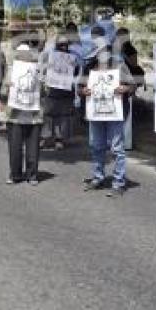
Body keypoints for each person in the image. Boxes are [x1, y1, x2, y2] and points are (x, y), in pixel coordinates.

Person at [79, 40, 135, 197]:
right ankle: (98, 177)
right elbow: (79, 88)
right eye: (99, 51)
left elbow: (132, 85)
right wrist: (84, 91)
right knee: (96, 146)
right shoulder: (89, 68)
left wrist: (125, 88)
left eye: (105, 50)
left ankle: (118, 182)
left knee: (117, 148)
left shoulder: (119, 66)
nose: (103, 53)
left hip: (115, 113)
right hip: (95, 113)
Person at [6, 43, 43, 185]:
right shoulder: (11, 71)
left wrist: (40, 83)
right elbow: (3, 93)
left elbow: (45, 91)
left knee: (33, 147)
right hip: (15, 116)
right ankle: (15, 175)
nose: (23, 58)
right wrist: (7, 86)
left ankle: (32, 175)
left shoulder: (37, 70)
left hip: (34, 116)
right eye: (20, 56)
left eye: (25, 56)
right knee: (15, 147)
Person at [40, 34, 79, 150]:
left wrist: (73, 67)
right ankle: (45, 138)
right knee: (48, 115)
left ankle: (59, 139)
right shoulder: (49, 56)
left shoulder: (72, 57)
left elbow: (76, 73)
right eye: (61, 45)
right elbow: (43, 71)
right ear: (56, 45)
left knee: (63, 116)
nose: (63, 47)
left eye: (65, 45)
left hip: (66, 92)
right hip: (52, 91)